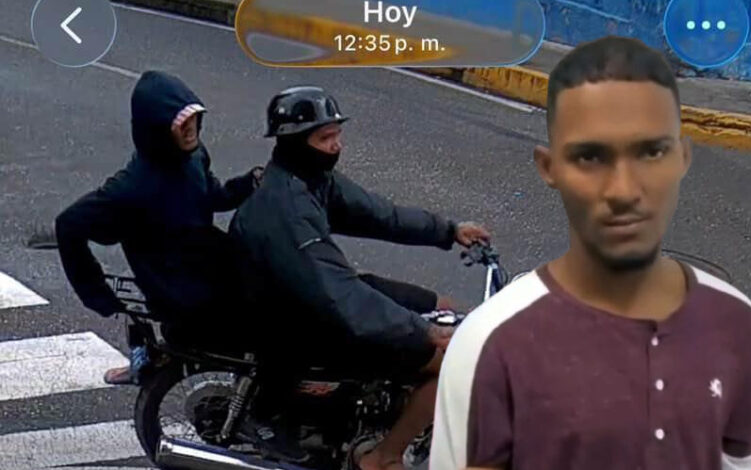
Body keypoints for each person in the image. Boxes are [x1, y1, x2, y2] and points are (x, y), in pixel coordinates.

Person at [430, 36, 751, 470]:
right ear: (550, 168)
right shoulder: (488, 345)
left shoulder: (735, 322)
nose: (623, 190)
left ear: (683, 159)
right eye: (591, 157)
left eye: (651, 152)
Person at [228, 86, 491, 470]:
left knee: (442, 306)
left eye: (337, 134)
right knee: (451, 361)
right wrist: (423, 331)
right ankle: (382, 457)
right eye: (325, 138)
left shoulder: (309, 178)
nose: (336, 145)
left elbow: (378, 214)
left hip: (314, 296)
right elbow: (340, 295)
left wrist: (448, 231)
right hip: (297, 318)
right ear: (296, 141)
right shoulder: (286, 208)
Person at [56, 70, 262, 384]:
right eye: (181, 123)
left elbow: (213, 196)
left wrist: (250, 182)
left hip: (206, 261)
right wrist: (97, 294)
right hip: (178, 284)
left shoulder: (194, 156)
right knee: (261, 339)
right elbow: (68, 224)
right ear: (158, 129)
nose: (190, 129)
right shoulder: (132, 186)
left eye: (194, 118)